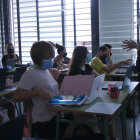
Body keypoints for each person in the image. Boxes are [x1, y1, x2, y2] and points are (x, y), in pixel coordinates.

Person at [13, 41, 102, 139]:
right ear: (38, 57)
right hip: (46, 122)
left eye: (51, 57)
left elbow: (49, 89)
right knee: (87, 125)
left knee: (91, 116)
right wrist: (37, 91)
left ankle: (97, 136)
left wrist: (56, 75)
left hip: (58, 113)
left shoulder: (46, 71)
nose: (51, 60)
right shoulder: (30, 74)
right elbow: (16, 97)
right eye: (47, 58)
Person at [68, 46, 119, 140]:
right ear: (82, 55)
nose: (89, 55)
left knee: (111, 113)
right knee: (109, 113)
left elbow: (98, 77)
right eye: (87, 53)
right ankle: (111, 137)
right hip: (81, 101)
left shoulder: (87, 66)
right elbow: (80, 88)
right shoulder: (75, 70)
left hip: (90, 97)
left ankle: (112, 137)